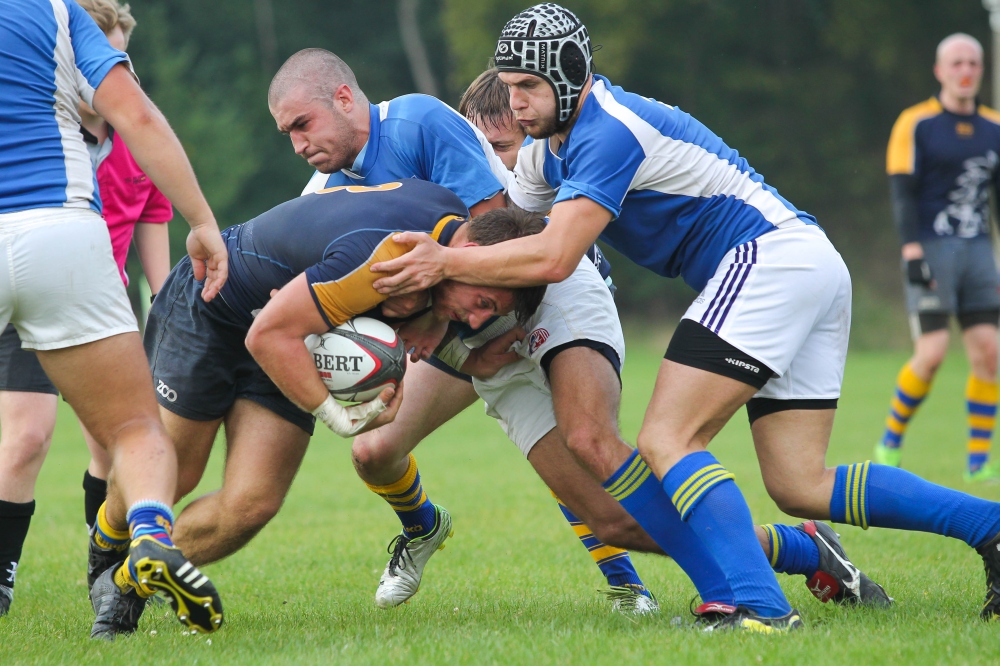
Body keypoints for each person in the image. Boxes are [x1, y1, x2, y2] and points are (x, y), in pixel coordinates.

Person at [371, 3, 1000, 631]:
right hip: (802, 264)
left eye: (529, 88)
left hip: (768, 259)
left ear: (569, 76)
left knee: (668, 439)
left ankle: (760, 609)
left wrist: (443, 266)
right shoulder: (542, 156)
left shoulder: (609, 128)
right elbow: (508, 243)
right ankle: (989, 526)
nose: (516, 107)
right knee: (800, 482)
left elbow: (557, 256)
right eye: (509, 90)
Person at [270, 49, 662, 611]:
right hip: (463, 323)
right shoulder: (321, 197)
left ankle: (628, 583)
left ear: (342, 98)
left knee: (582, 444)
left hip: (534, 294)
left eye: (302, 125)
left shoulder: (415, 122)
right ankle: (423, 526)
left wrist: (431, 320)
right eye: (286, 132)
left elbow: (494, 234)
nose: (299, 144)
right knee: (373, 450)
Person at [87, 179, 549, 638]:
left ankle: (123, 585)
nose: (475, 321)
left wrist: (446, 331)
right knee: (175, 474)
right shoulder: (386, 258)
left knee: (253, 504)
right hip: (214, 305)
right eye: (483, 303)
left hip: (291, 335)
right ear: (468, 246)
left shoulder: (447, 221)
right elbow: (267, 333)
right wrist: (336, 415)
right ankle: (106, 542)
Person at [0, 0, 227, 637]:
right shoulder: (56, 12)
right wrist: (204, 224)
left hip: (65, 253)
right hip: (62, 235)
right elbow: (139, 112)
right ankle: (151, 533)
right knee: (134, 427)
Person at [875, 33, 1000, 483]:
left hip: (978, 251)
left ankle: (978, 461)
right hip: (930, 247)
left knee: (989, 353)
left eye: (973, 63)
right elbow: (902, 194)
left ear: (981, 70)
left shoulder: (995, 128)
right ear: (940, 70)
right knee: (931, 354)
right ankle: (890, 441)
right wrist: (910, 252)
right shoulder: (916, 123)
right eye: (956, 63)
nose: (965, 70)